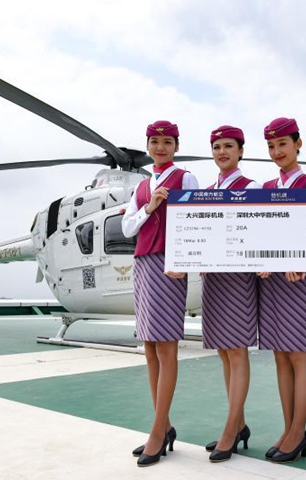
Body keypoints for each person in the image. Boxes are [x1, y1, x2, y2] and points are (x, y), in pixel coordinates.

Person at [121, 120, 199, 467]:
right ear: (149, 145)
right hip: (142, 264)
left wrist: (185, 261)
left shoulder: (185, 179)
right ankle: (163, 425)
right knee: (150, 348)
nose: (161, 147)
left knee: (166, 347)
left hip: (170, 265)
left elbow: (196, 223)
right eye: (155, 142)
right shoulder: (140, 187)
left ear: (176, 145)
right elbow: (126, 228)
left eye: (168, 142)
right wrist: (149, 207)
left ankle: (157, 431)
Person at [257, 117, 306, 464]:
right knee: (280, 356)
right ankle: (289, 429)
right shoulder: (265, 186)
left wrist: (304, 261)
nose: (276, 151)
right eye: (271, 146)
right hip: (270, 281)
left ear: (298, 144)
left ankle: (298, 431)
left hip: (296, 281)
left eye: (282, 144)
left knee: (299, 355)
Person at [200, 125, 261, 463]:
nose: (222, 152)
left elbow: (259, 231)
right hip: (214, 280)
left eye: (228, 146)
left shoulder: (251, 188)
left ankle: (230, 429)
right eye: (217, 147)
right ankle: (238, 423)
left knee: (237, 352)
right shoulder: (207, 191)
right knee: (224, 352)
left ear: (241, 151)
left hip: (238, 279)